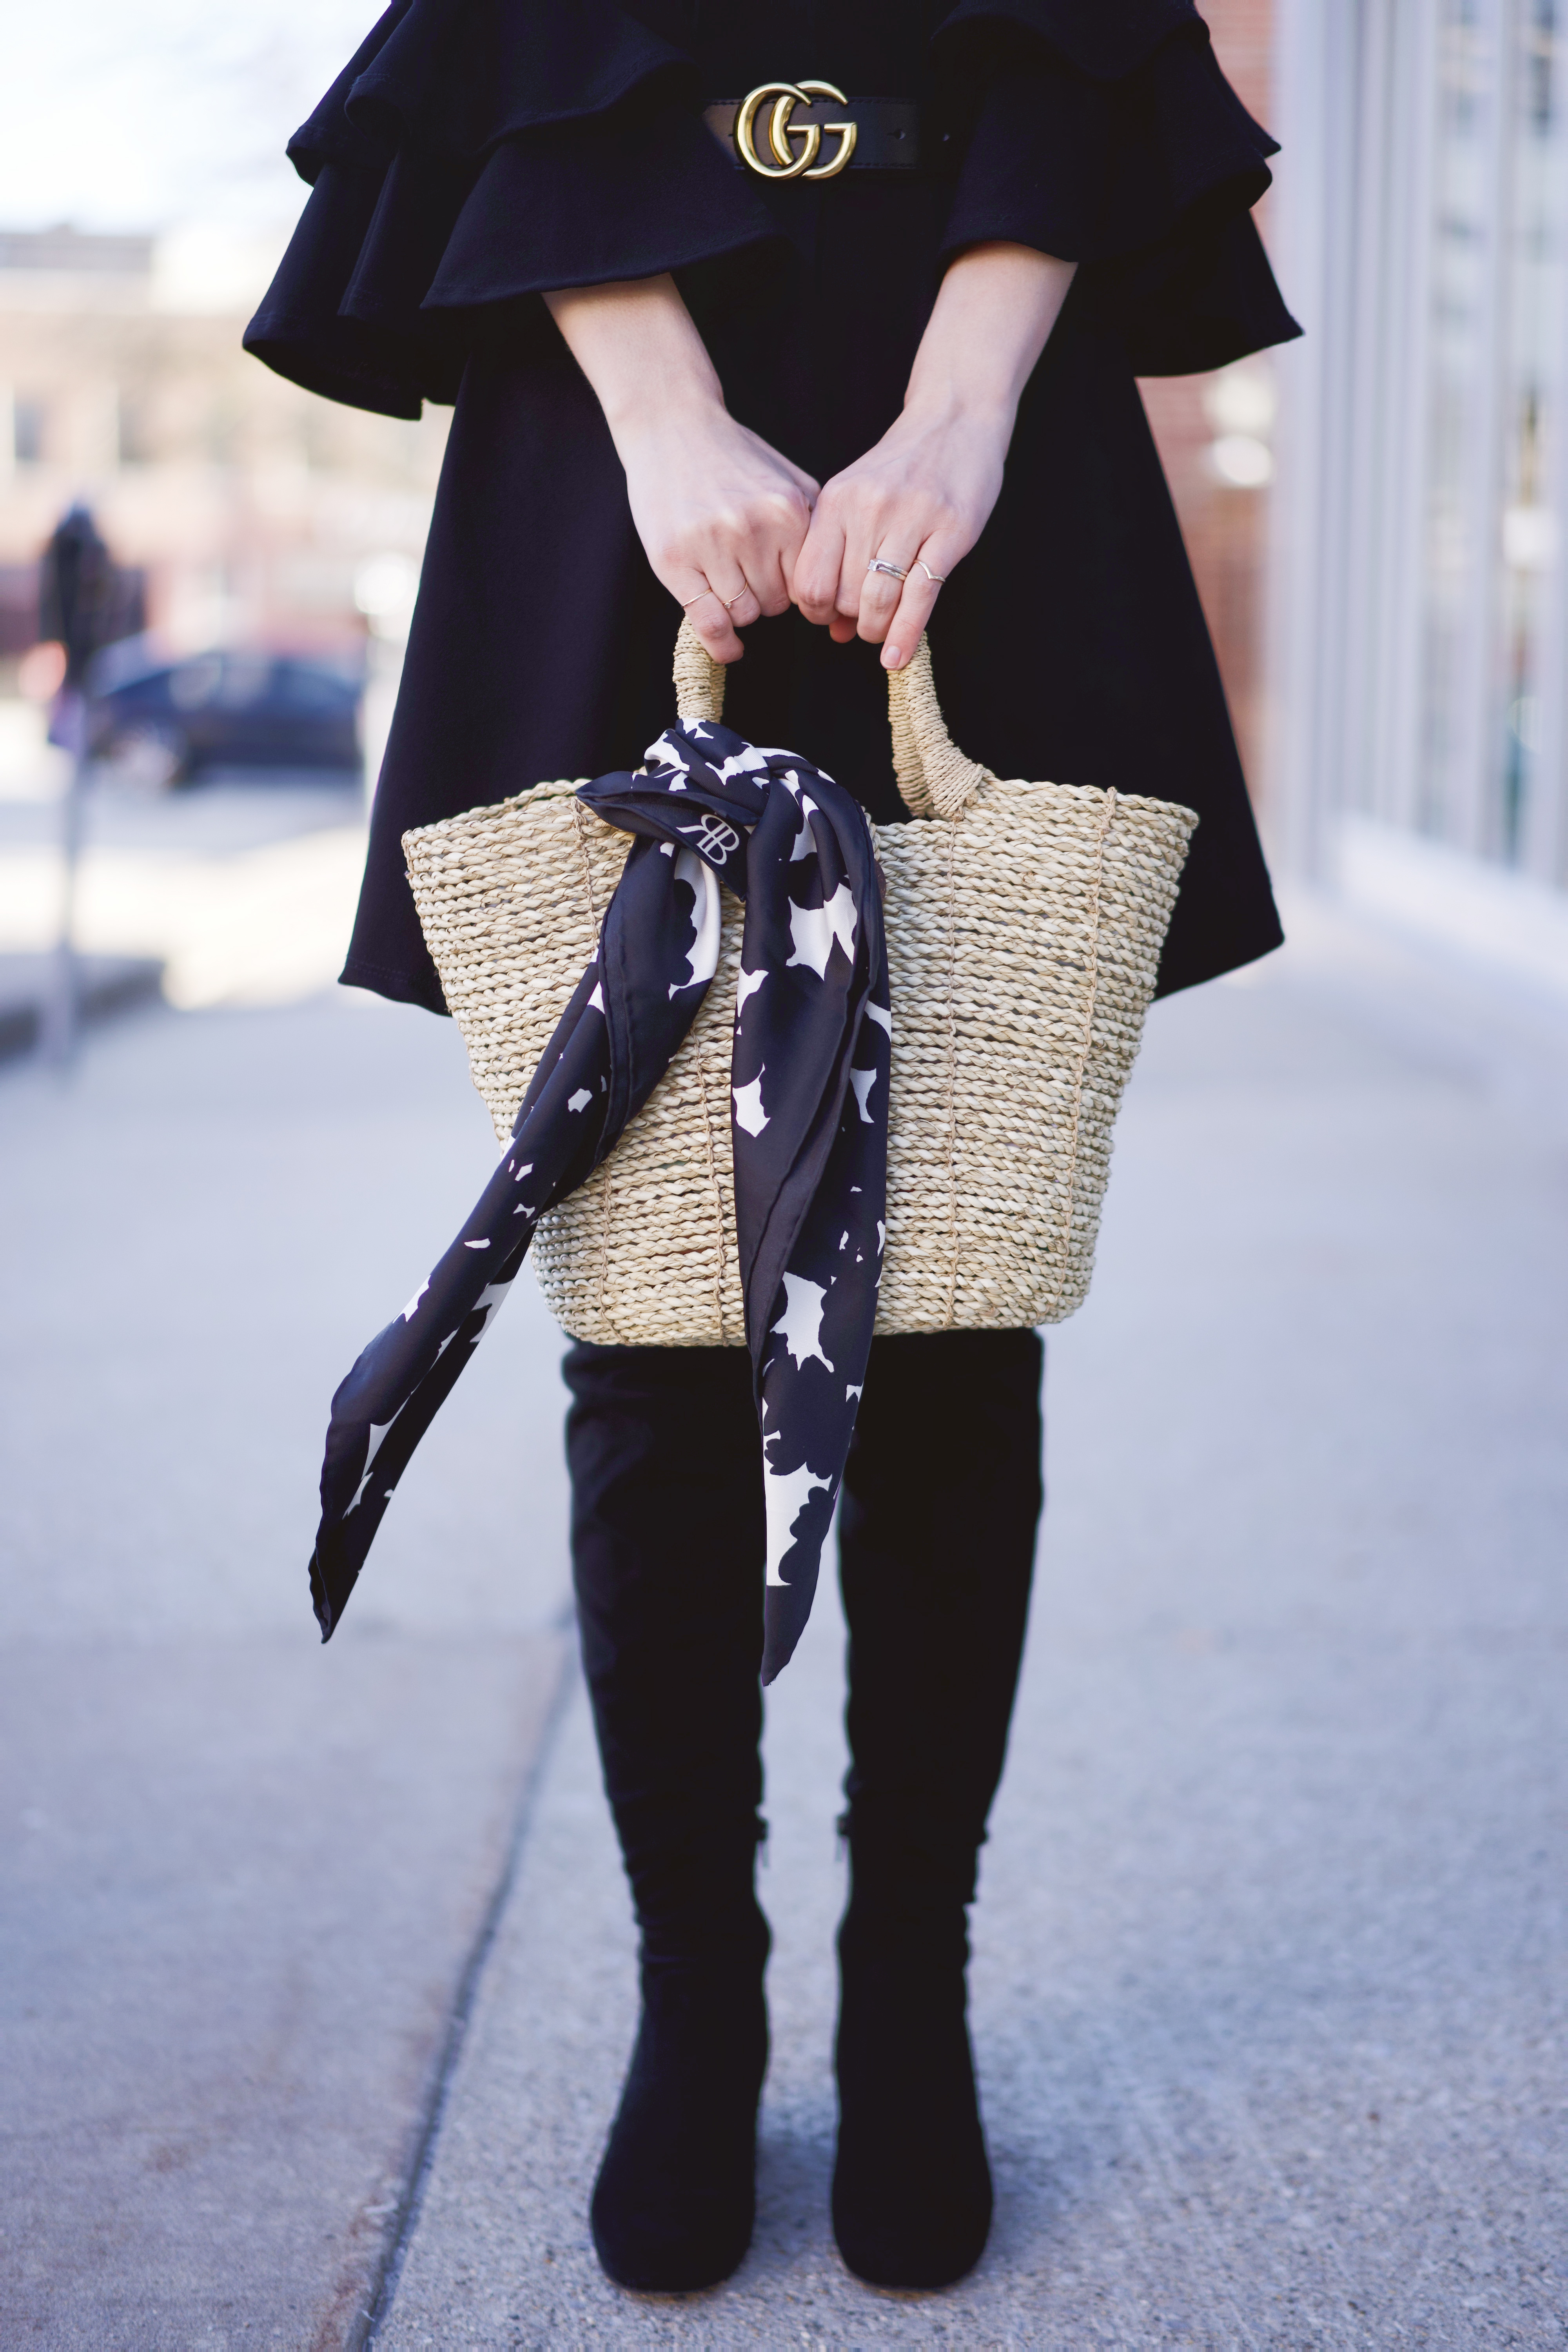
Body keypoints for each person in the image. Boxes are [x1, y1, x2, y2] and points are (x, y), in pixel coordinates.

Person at [248, 0, 1298, 2298]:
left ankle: (908, 2002)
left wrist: (963, 401)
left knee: (949, 1299)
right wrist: (658, 412)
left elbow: (1101, 41)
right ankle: (694, 2007)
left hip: (974, 396)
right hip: (627, 427)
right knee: (651, 1321)